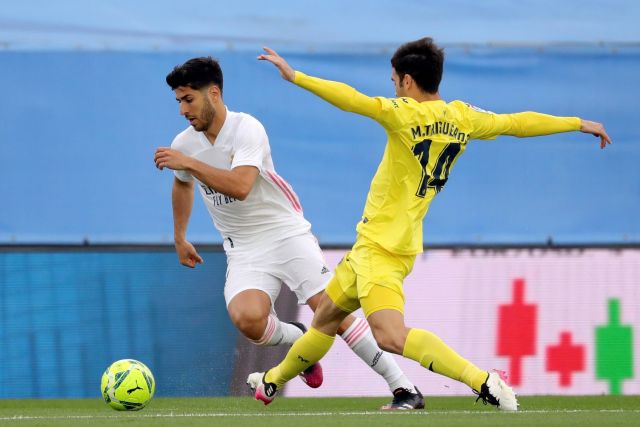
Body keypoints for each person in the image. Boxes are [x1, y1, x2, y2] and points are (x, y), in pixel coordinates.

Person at [248, 38, 612, 411]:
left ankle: (484, 382)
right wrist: (577, 123)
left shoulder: (405, 114)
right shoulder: (463, 118)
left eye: (393, 80)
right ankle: (272, 382)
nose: (392, 87)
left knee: (390, 336)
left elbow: (353, 99)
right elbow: (517, 123)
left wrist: (297, 77)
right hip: (378, 244)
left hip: (381, 250)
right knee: (325, 318)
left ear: (407, 81)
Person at [153, 56, 425, 410]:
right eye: (178, 101)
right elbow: (182, 185)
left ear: (214, 93)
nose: (182, 110)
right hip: (244, 249)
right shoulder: (184, 142)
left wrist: (187, 162)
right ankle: (299, 342)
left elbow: (241, 186)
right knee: (248, 320)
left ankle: (404, 388)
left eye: (188, 99)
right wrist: (180, 236)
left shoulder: (246, 129)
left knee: (331, 313)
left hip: (285, 234)